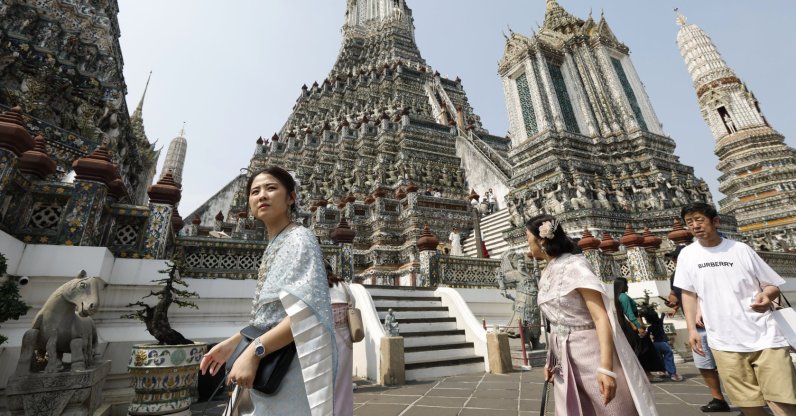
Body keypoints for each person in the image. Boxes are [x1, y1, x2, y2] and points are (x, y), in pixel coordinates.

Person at [200, 166, 337, 415]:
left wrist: (253, 351)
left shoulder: (299, 239)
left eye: (271, 188)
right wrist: (234, 343)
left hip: (289, 367)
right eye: (255, 191)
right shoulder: (276, 243)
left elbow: (304, 314)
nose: (262, 195)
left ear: (291, 197)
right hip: (271, 361)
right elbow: (269, 316)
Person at [526, 215, 657, 415]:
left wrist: (606, 367)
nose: (527, 243)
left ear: (541, 239)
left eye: (527, 237)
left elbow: (600, 317)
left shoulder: (575, 265)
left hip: (590, 349)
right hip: (562, 355)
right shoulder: (547, 271)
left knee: (611, 408)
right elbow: (555, 321)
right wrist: (550, 360)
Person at [674, 202, 796, 416]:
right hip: (723, 341)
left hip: (765, 337)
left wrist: (766, 296)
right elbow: (688, 293)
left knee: (783, 401)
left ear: (716, 221)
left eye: (699, 220)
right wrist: (691, 329)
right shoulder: (687, 255)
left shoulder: (741, 250)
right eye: (690, 222)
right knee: (749, 405)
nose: (695, 226)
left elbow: (772, 286)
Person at [667, 245, 731, 412]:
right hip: (695, 328)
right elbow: (676, 294)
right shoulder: (675, 275)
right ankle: (718, 399)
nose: (674, 261)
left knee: (730, 363)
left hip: (716, 323)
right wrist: (674, 304)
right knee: (704, 364)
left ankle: (747, 400)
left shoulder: (702, 269)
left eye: (677, 257)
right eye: (673, 258)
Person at [614, 278, 665, 379]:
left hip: (628, 325)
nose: (627, 286)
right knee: (642, 348)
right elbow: (629, 313)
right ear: (622, 285)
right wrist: (639, 327)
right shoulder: (623, 296)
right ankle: (645, 372)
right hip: (631, 326)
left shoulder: (620, 296)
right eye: (626, 284)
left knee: (641, 348)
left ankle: (645, 372)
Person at [325, 259, 354, 416]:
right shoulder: (343, 285)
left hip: (324, 336)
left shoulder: (317, 287)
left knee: (323, 382)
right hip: (344, 336)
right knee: (343, 382)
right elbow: (352, 303)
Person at [638, 305, 683, 382]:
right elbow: (662, 314)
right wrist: (667, 313)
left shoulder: (650, 328)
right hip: (663, 343)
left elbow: (646, 335)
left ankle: (662, 371)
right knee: (668, 357)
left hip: (655, 344)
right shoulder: (660, 322)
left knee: (659, 358)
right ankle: (673, 374)